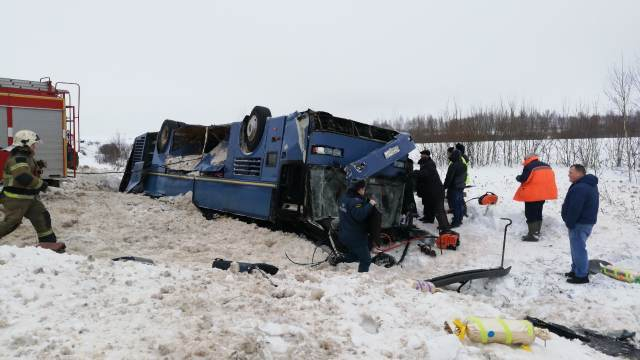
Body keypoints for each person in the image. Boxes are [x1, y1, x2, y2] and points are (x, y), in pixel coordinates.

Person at [0, 130, 57, 243]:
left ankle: (48, 244)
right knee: (10, 223)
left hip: (30, 198)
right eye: (33, 144)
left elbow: (27, 170)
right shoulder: (18, 158)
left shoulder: (26, 157)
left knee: (42, 217)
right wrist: (42, 185)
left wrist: (38, 166)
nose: (35, 147)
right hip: (15, 199)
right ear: (25, 144)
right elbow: (23, 176)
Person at [561, 164, 599, 284]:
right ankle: (576, 270)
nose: (569, 174)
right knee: (575, 248)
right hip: (583, 221)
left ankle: (582, 275)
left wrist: (569, 222)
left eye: (571, 172)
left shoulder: (581, 187)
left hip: (580, 223)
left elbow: (575, 208)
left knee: (578, 249)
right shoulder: (586, 185)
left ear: (579, 173)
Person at [513, 154, 558, 241]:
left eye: (524, 159)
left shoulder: (529, 166)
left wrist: (518, 177)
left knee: (530, 213)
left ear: (528, 159)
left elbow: (524, 178)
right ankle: (537, 232)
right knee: (538, 211)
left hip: (532, 194)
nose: (524, 161)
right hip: (543, 194)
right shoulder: (547, 166)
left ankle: (532, 235)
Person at [337, 180, 376, 272]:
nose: (364, 190)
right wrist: (370, 204)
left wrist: (364, 202)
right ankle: (361, 280)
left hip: (345, 233)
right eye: (363, 189)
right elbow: (359, 215)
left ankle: (338, 261)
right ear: (359, 189)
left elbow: (350, 212)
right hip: (356, 237)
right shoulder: (355, 202)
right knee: (366, 260)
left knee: (353, 256)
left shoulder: (344, 197)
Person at [415, 150, 449, 230]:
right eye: (421, 155)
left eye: (423, 155)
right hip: (429, 190)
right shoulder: (424, 163)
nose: (421, 156)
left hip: (436, 190)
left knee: (439, 210)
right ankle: (428, 218)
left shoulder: (430, 164)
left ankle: (445, 227)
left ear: (427, 156)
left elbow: (424, 174)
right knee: (428, 205)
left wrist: (415, 172)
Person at [443, 149, 467, 228]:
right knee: (459, 204)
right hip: (461, 187)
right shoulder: (463, 165)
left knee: (455, 205)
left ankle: (456, 222)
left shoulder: (453, 165)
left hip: (454, 188)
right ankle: (459, 219)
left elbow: (449, 178)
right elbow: (464, 177)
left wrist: (444, 186)